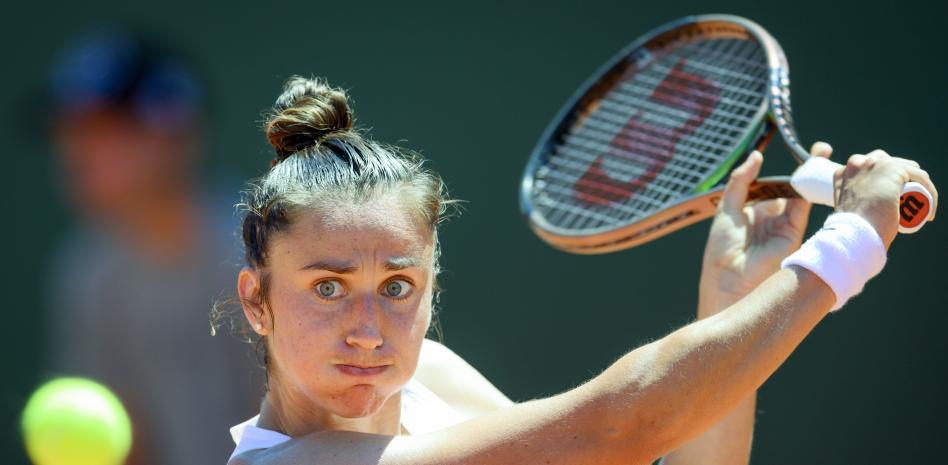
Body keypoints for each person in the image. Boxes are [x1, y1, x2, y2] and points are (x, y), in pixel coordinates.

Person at [222, 76, 937, 465]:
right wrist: (847, 246)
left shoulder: (430, 374)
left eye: (398, 285)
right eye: (327, 287)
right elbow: (619, 428)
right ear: (257, 300)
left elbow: (653, 444)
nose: (369, 330)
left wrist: (732, 298)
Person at [43, 29, 261, 464]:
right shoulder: (85, 271)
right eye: (70, 132)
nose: (78, 150)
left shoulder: (267, 249)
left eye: (106, 129)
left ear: (172, 130)